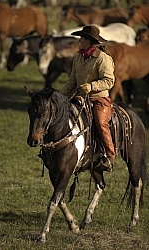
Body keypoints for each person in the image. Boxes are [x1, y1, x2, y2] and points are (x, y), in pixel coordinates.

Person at [62, 25, 115, 171]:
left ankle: (110, 157)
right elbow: (72, 80)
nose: (79, 40)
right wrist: (61, 96)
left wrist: (91, 87)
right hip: (79, 98)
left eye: (83, 38)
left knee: (100, 122)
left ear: (90, 41)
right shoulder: (78, 57)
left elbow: (109, 81)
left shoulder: (103, 59)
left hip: (98, 99)